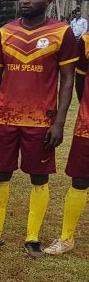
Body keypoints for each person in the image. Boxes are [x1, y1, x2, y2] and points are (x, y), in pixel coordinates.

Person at [0, 0, 78, 256]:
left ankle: (32, 237)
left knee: (39, 177)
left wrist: (59, 122)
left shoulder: (62, 32)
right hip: (4, 118)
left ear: (48, 0)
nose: (26, 1)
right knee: (0, 173)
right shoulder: (5, 31)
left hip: (41, 121)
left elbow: (67, 80)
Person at [44, 29, 89, 254]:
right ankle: (66, 237)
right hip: (87, 126)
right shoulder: (87, 40)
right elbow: (80, 79)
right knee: (80, 180)